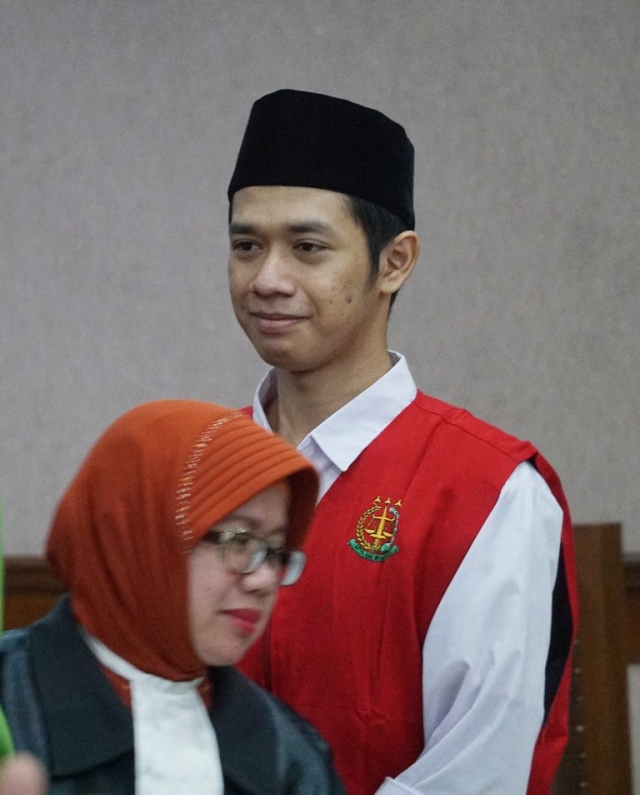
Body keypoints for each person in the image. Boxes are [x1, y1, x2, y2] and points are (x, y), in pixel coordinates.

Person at [225, 89, 578, 795]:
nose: (267, 278)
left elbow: (480, 769)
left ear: (395, 262)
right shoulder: (195, 468)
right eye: (246, 245)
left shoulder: (489, 491)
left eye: (307, 247)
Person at [0, 399, 345, 795]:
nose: (264, 579)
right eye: (240, 540)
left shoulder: (292, 757)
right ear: (137, 537)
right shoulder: (10, 705)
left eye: (277, 551)